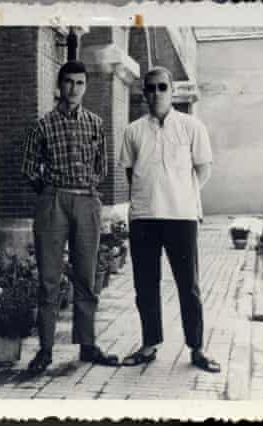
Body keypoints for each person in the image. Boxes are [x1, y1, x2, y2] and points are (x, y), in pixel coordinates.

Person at [118, 66, 221, 373]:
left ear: (172, 91)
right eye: (149, 88)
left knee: (188, 285)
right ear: (143, 93)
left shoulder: (192, 127)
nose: (156, 93)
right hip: (144, 218)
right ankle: (150, 345)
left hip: (181, 216)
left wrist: (182, 193)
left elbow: (203, 170)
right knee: (145, 285)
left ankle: (197, 348)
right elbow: (129, 173)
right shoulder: (133, 131)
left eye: (162, 87)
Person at [21, 61, 119, 374]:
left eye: (79, 83)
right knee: (49, 280)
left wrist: (83, 192)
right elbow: (28, 168)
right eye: (68, 82)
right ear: (59, 85)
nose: (73, 89)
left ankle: (88, 345)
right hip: (54, 202)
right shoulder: (44, 125)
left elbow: (102, 168)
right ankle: (46, 350)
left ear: (85, 87)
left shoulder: (95, 124)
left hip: (86, 202)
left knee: (87, 278)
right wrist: (51, 192)